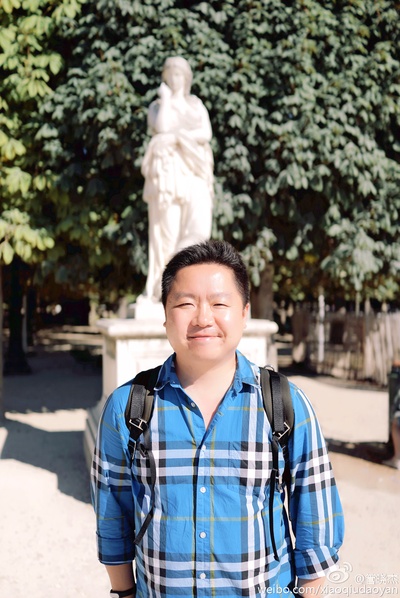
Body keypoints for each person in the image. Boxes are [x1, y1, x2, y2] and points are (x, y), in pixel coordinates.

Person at [91, 240, 344, 598]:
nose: (203, 318)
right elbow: (112, 514)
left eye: (219, 303)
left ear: (243, 313)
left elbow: (316, 522)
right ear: (165, 315)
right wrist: (124, 593)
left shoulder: (284, 404)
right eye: (185, 303)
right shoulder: (128, 406)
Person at [140, 56, 214, 302]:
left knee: (199, 229)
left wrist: (178, 136)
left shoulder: (195, 105)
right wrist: (166, 101)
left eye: (179, 74)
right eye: (170, 74)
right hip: (168, 171)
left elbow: (206, 133)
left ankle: (183, 282)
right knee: (167, 234)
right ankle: (164, 288)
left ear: (187, 77)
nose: (175, 79)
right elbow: (161, 127)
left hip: (195, 171)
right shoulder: (157, 106)